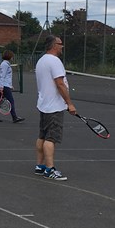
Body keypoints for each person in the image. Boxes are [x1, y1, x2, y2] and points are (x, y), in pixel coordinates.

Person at [34, 35, 76, 180]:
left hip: (44, 104)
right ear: (54, 45)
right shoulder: (55, 61)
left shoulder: (41, 61)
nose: (62, 46)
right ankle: (49, 169)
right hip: (54, 106)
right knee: (51, 138)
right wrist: (69, 103)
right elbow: (60, 83)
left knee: (42, 136)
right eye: (60, 44)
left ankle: (40, 166)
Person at [0, 50, 25, 123]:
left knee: (0, 102)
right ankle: (14, 117)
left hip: (5, 85)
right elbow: (2, 76)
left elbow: (6, 77)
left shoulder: (6, 64)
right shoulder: (5, 65)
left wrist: (10, 85)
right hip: (4, 86)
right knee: (11, 101)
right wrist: (2, 86)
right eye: (12, 56)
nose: (12, 57)